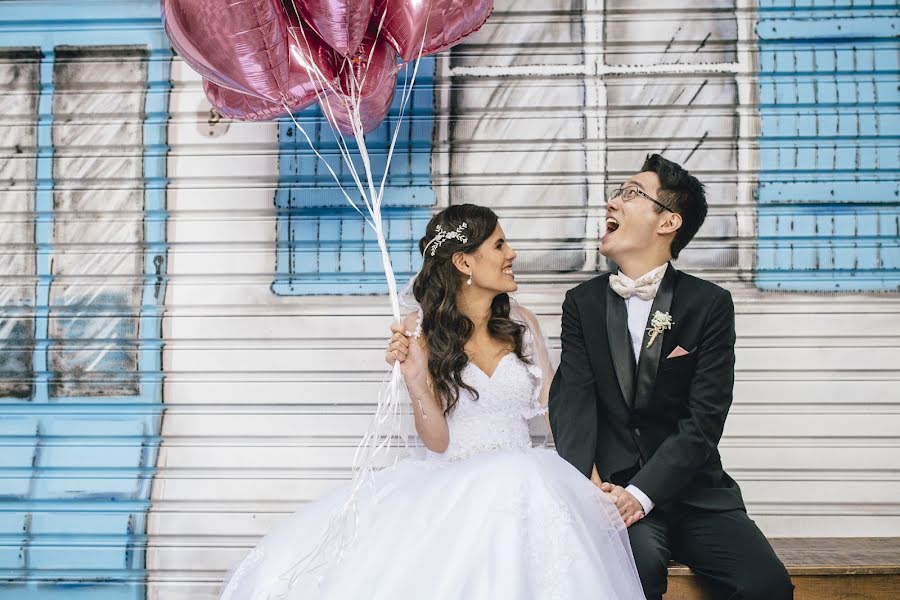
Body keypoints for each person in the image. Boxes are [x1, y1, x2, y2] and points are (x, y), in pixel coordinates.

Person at [218, 203, 645, 600]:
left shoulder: (520, 322)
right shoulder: (418, 330)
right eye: (498, 244)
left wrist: (591, 485)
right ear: (464, 263)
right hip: (453, 485)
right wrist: (418, 382)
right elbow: (437, 440)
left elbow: (559, 417)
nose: (512, 253)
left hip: (530, 481)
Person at [549, 154, 793, 599]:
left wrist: (642, 494)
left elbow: (704, 421)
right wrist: (592, 487)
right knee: (632, 578)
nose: (613, 202)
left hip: (697, 495)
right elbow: (573, 403)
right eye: (617, 193)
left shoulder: (709, 305)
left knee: (765, 585)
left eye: (630, 193)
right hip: (615, 497)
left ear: (668, 222)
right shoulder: (581, 303)